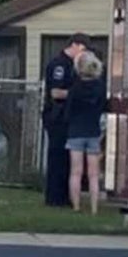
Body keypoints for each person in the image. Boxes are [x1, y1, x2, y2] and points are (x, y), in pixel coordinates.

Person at [42, 33, 91, 207]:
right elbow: (56, 92)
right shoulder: (59, 65)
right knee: (57, 158)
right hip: (57, 117)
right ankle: (54, 198)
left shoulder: (74, 66)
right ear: (74, 45)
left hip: (69, 117)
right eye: (83, 49)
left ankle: (65, 196)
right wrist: (77, 95)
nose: (83, 54)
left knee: (67, 160)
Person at [65, 51, 107, 213]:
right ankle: (94, 208)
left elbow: (68, 111)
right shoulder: (100, 88)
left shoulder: (75, 88)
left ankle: (76, 206)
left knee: (76, 172)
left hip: (76, 131)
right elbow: (104, 106)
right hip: (93, 131)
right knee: (94, 174)